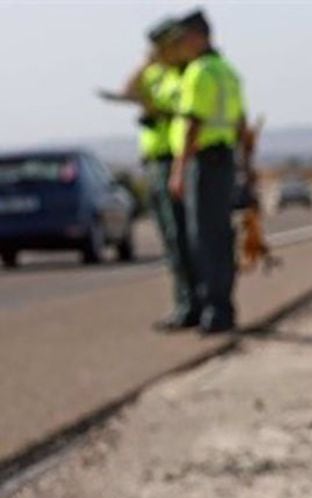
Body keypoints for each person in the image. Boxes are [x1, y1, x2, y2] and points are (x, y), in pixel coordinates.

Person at [99, 17, 201, 330]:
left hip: (174, 159)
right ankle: (185, 302)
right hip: (154, 161)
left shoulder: (182, 75)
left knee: (183, 237)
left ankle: (192, 304)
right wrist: (147, 62)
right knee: (172, 240)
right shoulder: (156, 73)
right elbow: (127, 90)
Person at [168, 10, 251, 334]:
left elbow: (192, 123)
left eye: (183, 39)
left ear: (198, 36)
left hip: (203, 161)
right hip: (224, 159)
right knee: (220, 235)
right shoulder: (227, 71)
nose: (181, 47)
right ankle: (222, 306)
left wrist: (178, 169)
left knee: (203, 238)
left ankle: (213, 310)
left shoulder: (200, 72)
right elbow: (242, 122)